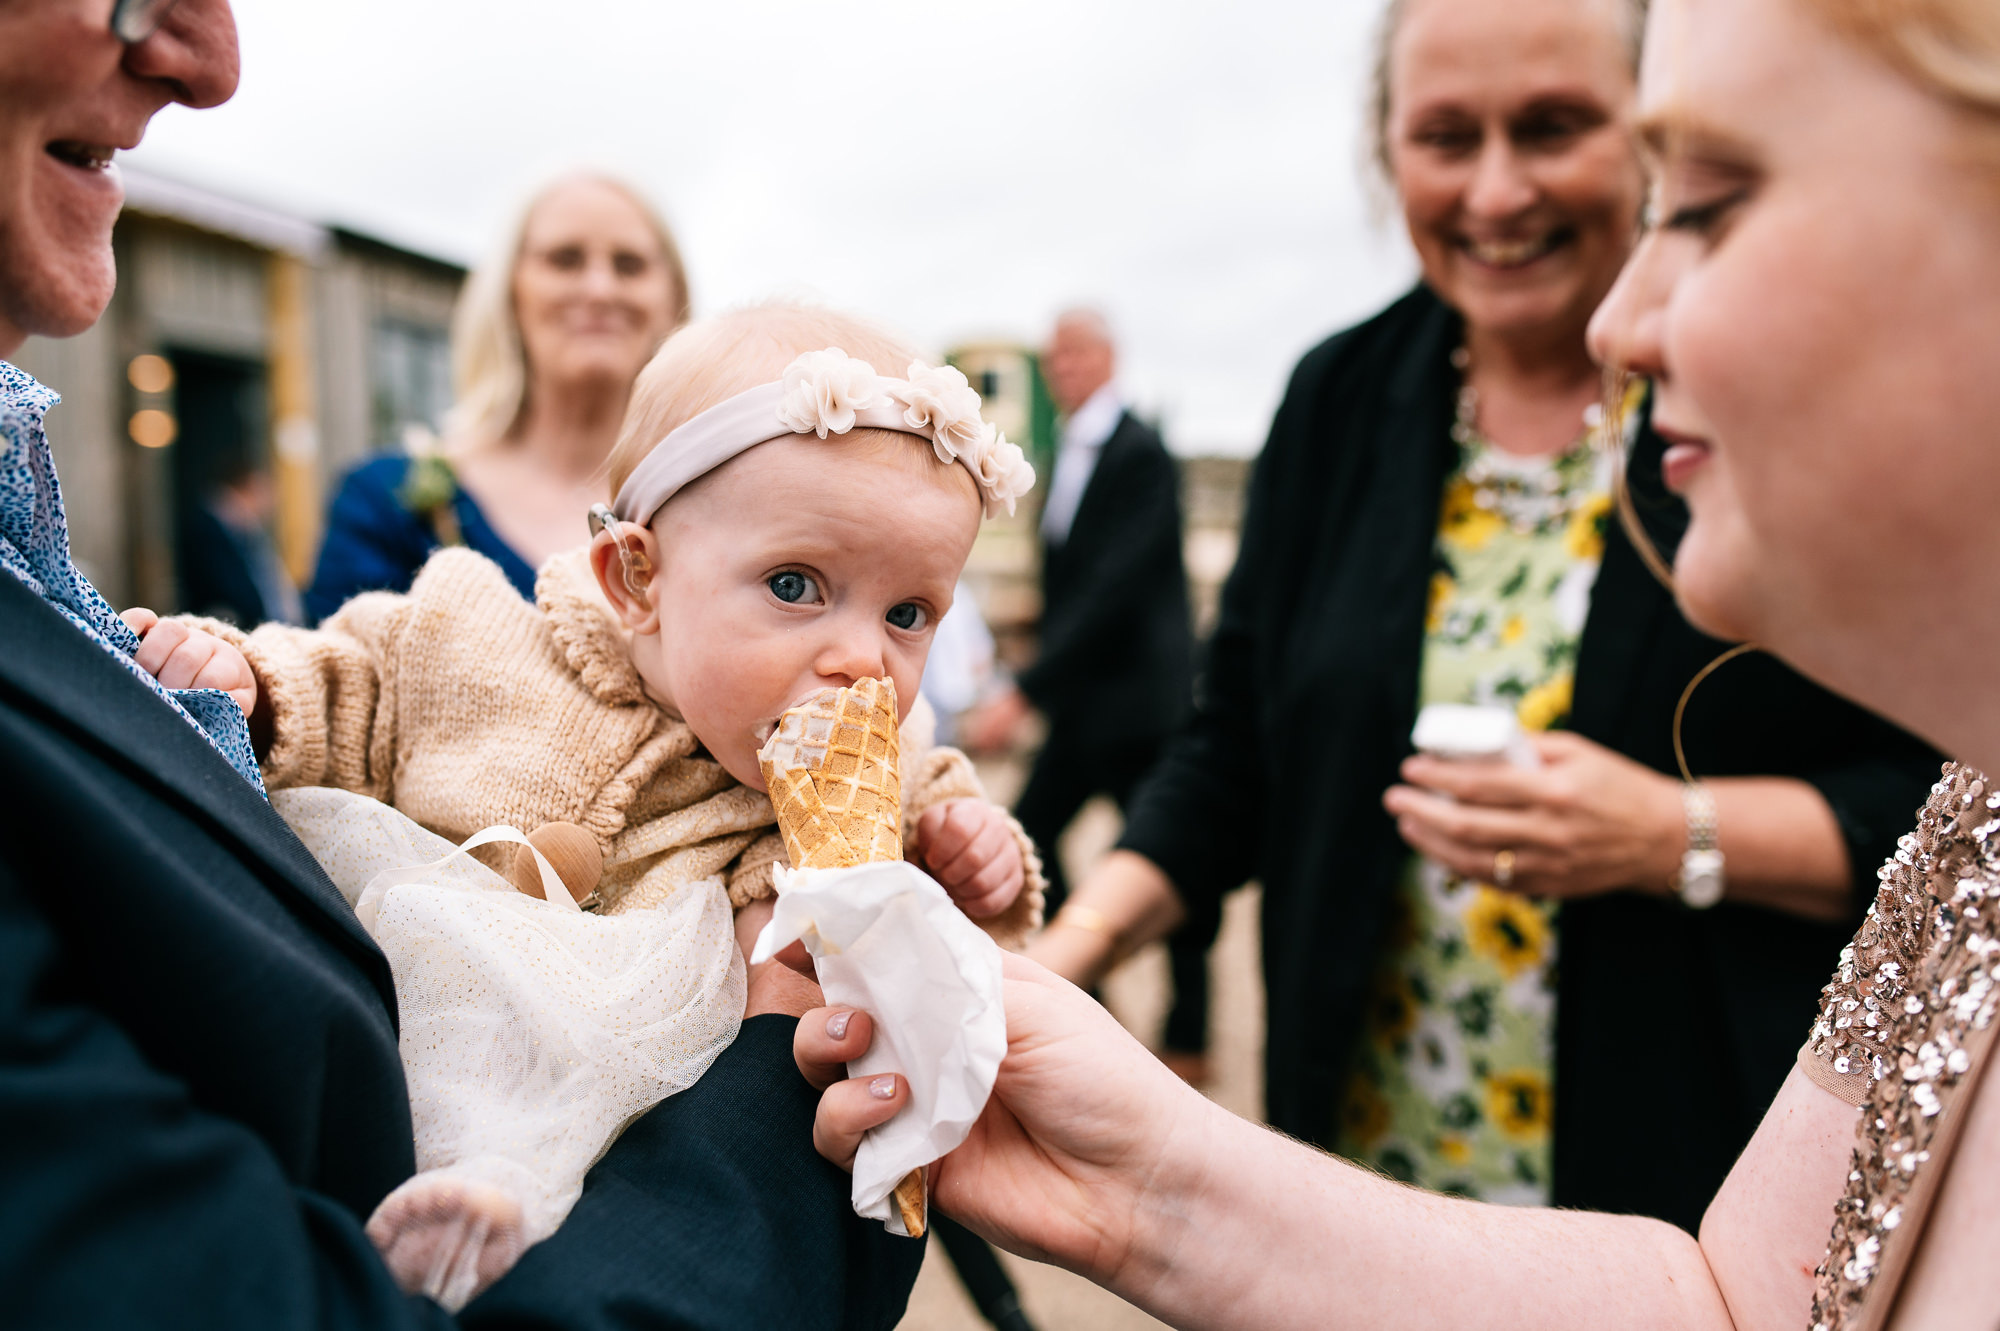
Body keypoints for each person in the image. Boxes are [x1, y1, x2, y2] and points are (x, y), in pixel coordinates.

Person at [805, 0, 2000, 1323]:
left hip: (1673, 1102)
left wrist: (1677, 829)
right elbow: (1732, 1303)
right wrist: (1065, 974)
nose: (1629, 319)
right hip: (1370, 1129)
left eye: (1707, 202)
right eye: (1445, 135)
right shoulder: (1339, 396)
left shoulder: (1943, 795)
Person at [0, 3, 918, 1325]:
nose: (206, 58)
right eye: (565, 258)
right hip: (459, 964)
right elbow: (346, 692)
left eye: (630, 262)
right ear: (627, 578)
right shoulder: (433, 540)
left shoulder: (782, 529)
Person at [125, 304, 1045, 1304]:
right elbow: (351, 686)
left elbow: (923, 813)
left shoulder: (846, 776)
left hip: (626, 1158)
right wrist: (248, 681)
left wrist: (969, 842)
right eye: (794, 584)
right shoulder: (466, 635)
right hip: (407, 1028)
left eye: (907, 613)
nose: (860, 658)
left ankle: (506, 1211)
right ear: (637, 576)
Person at [969, 309, 1212, 1073]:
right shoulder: (1061, 451)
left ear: (1108, 358)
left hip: (1139, 705)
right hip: (1083, 706)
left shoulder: (1142, 451)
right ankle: (1096, 995)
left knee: (1169, 856)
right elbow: (1074, 583)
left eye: (1073, 354)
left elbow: (1116, 589)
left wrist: (1025, 688)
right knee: (1031, 833)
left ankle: (1191, 1030)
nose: (1060, 368)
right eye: (1051, 357)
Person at [303, 173, 688, 622]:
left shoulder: (714, 497)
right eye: (565, 260)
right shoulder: (386, 503)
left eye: (630, 264)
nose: (600, 288)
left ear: (673, 298)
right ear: (509, 292)